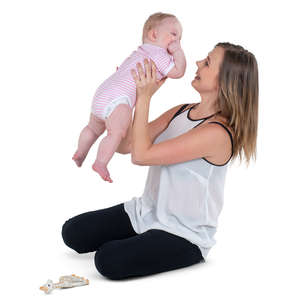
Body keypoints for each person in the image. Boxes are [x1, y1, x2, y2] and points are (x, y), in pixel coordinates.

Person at [62, 42, 259, 280]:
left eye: (207, 63)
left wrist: (146, 97)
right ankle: (142, 239)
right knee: (73, 232)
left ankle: (147, 244)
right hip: (146, 212)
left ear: (226, 81)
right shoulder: (181, 110)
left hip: (183, 235)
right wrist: (125, 95)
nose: (197, 63)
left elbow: (141, 156)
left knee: (107, 260)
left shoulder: (217, 133)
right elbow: (127, 146)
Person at [72, 12, 186, 183]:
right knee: (115, 132)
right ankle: (100, 162)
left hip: (103, 92)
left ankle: (80, 152)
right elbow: (178, 72)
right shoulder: (159, 54)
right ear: (154, 34)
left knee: (93, 128)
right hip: (119, 100)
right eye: (174, 35)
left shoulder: (138, 52)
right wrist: (178, 52)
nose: (177, 41)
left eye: (180, 39)